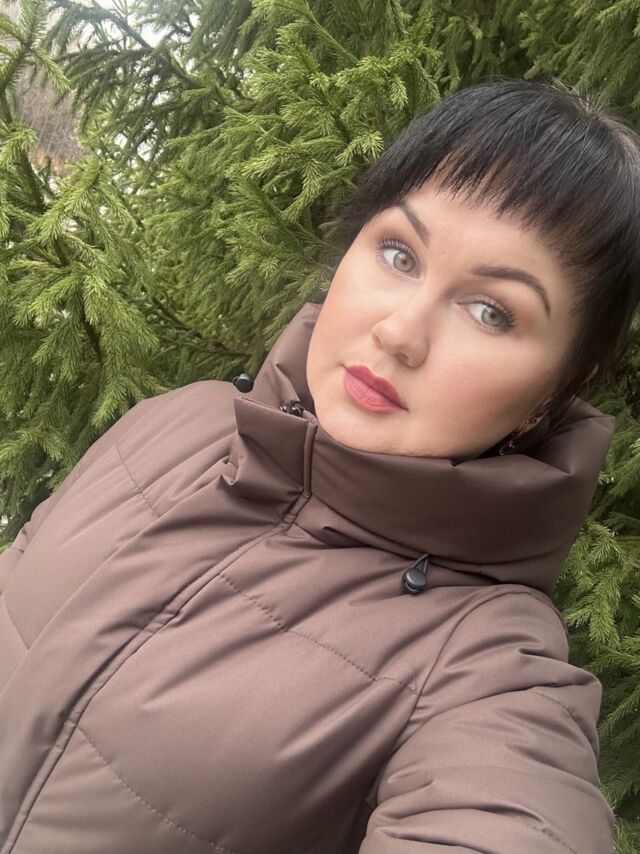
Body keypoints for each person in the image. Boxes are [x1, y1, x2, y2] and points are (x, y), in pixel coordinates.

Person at [1, 76, 638, 854]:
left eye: (491, 312)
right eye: (399, 253)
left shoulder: (486, 663)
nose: (399, 331)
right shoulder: (177, 421)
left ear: (556, 390)